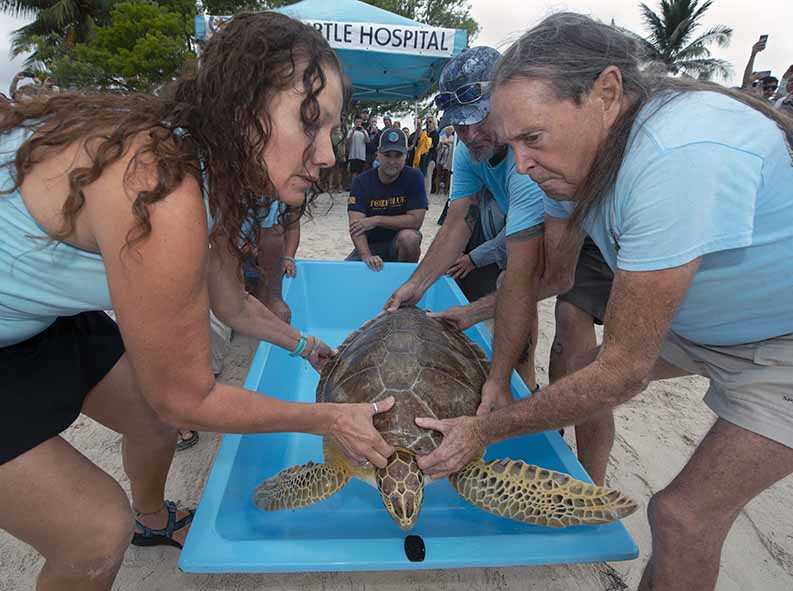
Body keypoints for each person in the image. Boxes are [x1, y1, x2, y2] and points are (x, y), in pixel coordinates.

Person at [0, 13, 396, 590]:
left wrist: (306, 346)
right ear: (242, 109)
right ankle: (126, 525)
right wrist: (328, 420)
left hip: (37, 318)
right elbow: (187, 398)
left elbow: (232, 305)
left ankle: (153, 520)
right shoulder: (156, 183)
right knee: (92, 533)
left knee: (151, 423)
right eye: (312, 122)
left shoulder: (201, 168)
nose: (330, 153)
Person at [415, 14, 793, 591]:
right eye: (511, 142)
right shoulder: (574, 167)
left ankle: (586, 487)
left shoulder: (677, 156)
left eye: (533, 139)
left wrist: (484, 431)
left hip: (780, 344)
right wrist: (474, 322)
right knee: (580, 372)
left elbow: (624, 374)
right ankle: (582, 481)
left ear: (607, 93)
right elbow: (545, 279)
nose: (520, 163)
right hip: (706, 326)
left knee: (682, 516)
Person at [385, 46, 547, 396]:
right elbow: (459, 220)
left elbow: (530, 275)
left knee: (562, 326)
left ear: (506, 100)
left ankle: (529, 398)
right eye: (459, 124)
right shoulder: (468, 150)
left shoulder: (529, 162)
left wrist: (475, 314)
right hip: (516, 225)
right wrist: (417, 284)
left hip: (576, 234)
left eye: (479, 118)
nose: (470, 135)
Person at [345, 128, 427, 271]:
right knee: (343, 276)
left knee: (410, 238)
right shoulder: (361, 182)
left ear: (406, 156)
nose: (392, 161)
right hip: (369, 245)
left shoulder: (414, 177)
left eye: (398, 155)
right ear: (378, 155)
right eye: (387, 155)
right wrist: (366, 256)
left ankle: (403, 277)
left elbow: (416, 221)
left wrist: (376, 220)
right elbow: (356, 227)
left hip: (399, 244)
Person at [345, 115, 369, 180]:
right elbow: (348, 141)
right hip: (353, 155)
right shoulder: (351, 130)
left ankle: (360, 187)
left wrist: (363, 131)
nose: (358, 123)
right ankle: (353, 187)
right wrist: (353, 131)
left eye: (359, 122)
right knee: (354, 173)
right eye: (357, 122)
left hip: (361, 155)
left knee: (361, 173)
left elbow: (367, 141)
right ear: (354, 122)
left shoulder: (364, 131)